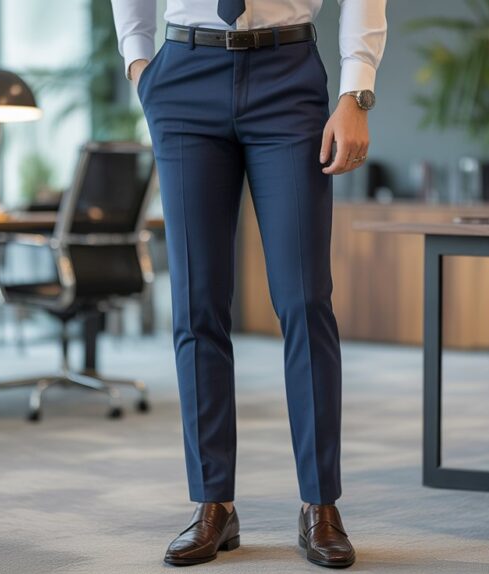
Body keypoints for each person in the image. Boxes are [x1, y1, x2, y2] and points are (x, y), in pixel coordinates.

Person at [110, 0, 386, 568]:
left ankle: (320, 505)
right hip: (183, 76)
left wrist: (356, 93)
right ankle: (213, 503)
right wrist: (139, 63)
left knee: (305, 300)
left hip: (287, 76)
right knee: (197, 304)